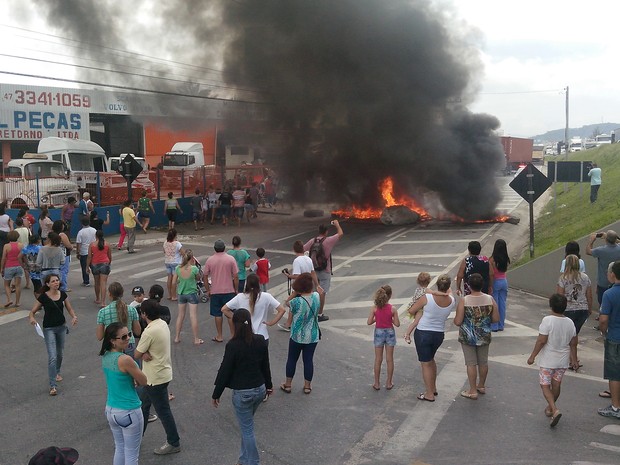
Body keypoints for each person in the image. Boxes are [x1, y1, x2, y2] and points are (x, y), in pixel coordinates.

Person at [212, 309, 273, 465]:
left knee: (247, 430)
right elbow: (265, 365)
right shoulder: (259, 340)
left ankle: (252, 461)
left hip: (243, 393)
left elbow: (225, 370)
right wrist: (269, 386)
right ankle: (243, 459)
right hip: (259, 389)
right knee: (247, 426)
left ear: (234, 324)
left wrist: (216, 394)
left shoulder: (233, 345)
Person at [135, 299, 181, 455]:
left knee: (163, 411)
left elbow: (136, 353)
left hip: (154, 378)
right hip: (160, 374)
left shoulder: (149, 331)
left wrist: (143, 353)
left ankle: (174, 442)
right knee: (143, 406)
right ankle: (135, 438)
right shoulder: (162, 323)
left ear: (144, 314)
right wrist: (145, 353)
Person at [99, 322, 147, 465]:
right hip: (129, 410)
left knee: (120, 448)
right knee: (132, 454)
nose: (128, 338)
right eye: (124, 337)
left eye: (130, 335)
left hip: (111, 410)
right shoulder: (125, 359)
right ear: (112, 341)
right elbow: (144, 380)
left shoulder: (106, 356)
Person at [527, 294, 578, 427]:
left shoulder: (547, 320)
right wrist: (574, 359)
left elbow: (541, 341)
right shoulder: (570, 322)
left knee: (545, 385)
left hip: (548, 360)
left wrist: (532, 356)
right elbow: (573, 342)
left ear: (551, 306)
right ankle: (550, 408)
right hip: (562, 360)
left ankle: (554, 409)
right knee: (556, 385)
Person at [406, 275, 455, 401]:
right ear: (448, 287)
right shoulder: (451, 300)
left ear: (437, 285)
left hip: (423, 333)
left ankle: (429, 394)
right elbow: (449, 292)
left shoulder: (427, 297)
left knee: (425, 363)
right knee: (431, 360)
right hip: (439, 334)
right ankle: (433, 388)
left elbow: (411, 311)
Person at [28, 274, 78, 396]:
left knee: (60, 353)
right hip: (49, 329)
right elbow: (32, 311)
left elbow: (69, 308)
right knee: (52, 356)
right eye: (53, 281)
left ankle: (57, 372)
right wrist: (32, 318)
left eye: (57, 280)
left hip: (61, 327)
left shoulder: (63, 294)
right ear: (48, 284)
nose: (56, 282)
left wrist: (74, 316)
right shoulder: (43, 297)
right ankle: (52, 386)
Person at [453, 273, 499, 400]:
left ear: (469, 285)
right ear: (482, 285)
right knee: (483, 362)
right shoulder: (490, 299)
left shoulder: (465, 300)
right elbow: (496, 319)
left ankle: (472, 390)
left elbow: (457, 321)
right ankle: (481, 385)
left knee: (471, 363)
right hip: (484, 335)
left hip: (468, 336)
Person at [280, 272, 320, 395]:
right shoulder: (316, 297)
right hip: (312, 336)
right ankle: (307, 386)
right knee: (308, 361)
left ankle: (288, 384)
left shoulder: (295, 302)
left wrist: (295, 294)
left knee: (292, 359)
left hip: (297, 336)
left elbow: (287, 303)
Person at [222, 273, 287, 347]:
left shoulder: (240, 297)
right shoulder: (266, 296)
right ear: (258, 284)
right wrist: (271, 323)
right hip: (262, 335)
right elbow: (282, 310)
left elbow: (224, 309)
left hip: (244, 336)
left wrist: (237, 318)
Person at [304, 219, 344, 321]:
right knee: (322, 292)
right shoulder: (329, 240)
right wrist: (337, 224)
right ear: (326, 232)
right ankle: (319, 314)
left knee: (313, 292)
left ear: (318, 231)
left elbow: (302, 249)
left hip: (313, 270)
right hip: (325, 270)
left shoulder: (312, 241)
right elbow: (340, 233)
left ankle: (311, 312)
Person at [556, 254, 592, 369]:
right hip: (582, 310)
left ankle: (572, 360)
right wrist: (589, 309)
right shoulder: (585, 277)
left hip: (568, 310)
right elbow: (589, 295)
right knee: (574, 333)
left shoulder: (563, 278)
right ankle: (573, 359)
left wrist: (557, 312)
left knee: (568, 335)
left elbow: (559, 296)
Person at [367, 285, 400, 391]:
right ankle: (389, 382)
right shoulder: (392, 308)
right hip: (389, 332)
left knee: (378, 359)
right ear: (389, 296)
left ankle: (377, 383)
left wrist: (377, 319)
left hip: (379, 332)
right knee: (389, 359)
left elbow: (369, 322)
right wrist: (392, 318)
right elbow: (397, 324)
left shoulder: (375, 308)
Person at [598, 260, 620, 419]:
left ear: (613, 274)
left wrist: (603, 333)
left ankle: (615, 407)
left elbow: (603, 320)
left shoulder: (609, 294)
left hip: (615, 337)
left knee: (614, 374)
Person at [205, 239, 239, 343]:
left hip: (215, 291)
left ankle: (219, 336)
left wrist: (208, 290)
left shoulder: (210, 260)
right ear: (224, 248)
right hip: (229, 290)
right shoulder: (230, 259)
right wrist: (236, 289)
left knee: (217, 314)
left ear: (215, 249)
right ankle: (233, 335)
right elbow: (236, 275)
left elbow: (205, 276)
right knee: (229, 313)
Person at [97, 282, 141, 356]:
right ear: (122, 293)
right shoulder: (132, 309)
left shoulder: (103, 312)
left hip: (112, 347)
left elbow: (99, 336)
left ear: (110, 294)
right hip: (129, 345)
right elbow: (137, 331)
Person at [172, 249, 203, 345]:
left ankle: (177, 337)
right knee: (193, 316)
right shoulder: (194, 269)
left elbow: (173, 282)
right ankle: (196, 339)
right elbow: (198, 278)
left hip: (181, 293)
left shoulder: (178, 268)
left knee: (180, 315)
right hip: (192, 293)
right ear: (192, 258)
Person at [586, 230, 620, 306]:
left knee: (603, 304)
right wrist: (611, 237)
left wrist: (591, 241)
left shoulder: (601, 250)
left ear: (606, 240)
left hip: (604, 284)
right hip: (618, 280)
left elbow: (588, 251)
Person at [403, 272, 432, 343]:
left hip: (413, 305)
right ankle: (407, 334)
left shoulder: (418, 289)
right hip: (420, 309)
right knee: (416, 322)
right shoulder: (427, 290)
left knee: (416, 321)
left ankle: (408, 334)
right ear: (429, 281)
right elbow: (434, 294)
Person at [87, 230, 112, 306]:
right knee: (103, 283)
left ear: (96, 236)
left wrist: (87, 267)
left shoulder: (92, 245)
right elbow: (109, 256)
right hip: (105, 264)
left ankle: (97, 298)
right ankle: (103, 302)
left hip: (95, 265)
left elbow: (89, 257)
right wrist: (109, 263)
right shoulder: (107, 244)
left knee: (96, 283)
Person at [490, 239, 510, 331]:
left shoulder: (492, 259)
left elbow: (491, 273)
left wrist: (490, 285)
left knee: (495, 304)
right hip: (504, 281)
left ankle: (494, 326)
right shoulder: (506, 258)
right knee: (502, 304)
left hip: (496, 281)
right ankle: (501, 325)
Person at [1, 230, 23, 307]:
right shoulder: (21, 245)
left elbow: (3, 258)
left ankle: (9, 299)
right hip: (18, 266)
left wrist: (2, 268)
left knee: (7, 284)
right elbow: (23, 256)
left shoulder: (6, 246)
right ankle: (17, 302)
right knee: (18, 285)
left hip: (9, 266)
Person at [163, 228, 184, 301]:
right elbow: (183, 253)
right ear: (175, 235)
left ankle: (169, 295)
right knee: (174, 280)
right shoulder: (177, 244)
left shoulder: (165, 242)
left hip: (167, 262)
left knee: (169, 278)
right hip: (176, 262)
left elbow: (164, 251)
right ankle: (174, 296)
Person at [52, 220, 73, 292]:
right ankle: (63, 286)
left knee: (56, 271)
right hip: (64, 254)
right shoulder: (62, 235)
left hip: (54, 255)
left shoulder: (52, 234)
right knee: (64, 271)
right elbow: (68, 245)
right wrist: (71, 247)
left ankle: (55, 284)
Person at [75, 217, 96, 287]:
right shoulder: (94, 230)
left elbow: (79, 243)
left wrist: (78, 252)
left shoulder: (80, 232)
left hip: (84, 252)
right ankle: (97, 278)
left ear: (82, 223)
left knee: (84, 267)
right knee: (93, 266)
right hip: (93, 251)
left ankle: (86, 281)